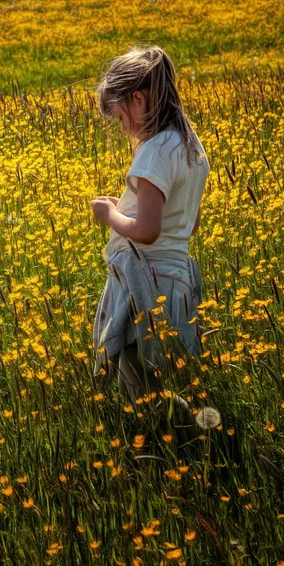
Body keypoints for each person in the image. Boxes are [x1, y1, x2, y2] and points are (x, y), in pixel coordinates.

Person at [90, 45, 209, 404]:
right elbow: (188, 222)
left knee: (140, 391)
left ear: (139, 100)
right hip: (177, 284)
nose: (125, 128)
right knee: (170, 382)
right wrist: (127, 206)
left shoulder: (155, 150)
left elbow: (146, 231)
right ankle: (187, 438)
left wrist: (108, 214)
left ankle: (155, 451)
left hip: (146, 287)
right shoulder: (189, 146)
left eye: (122, 117)